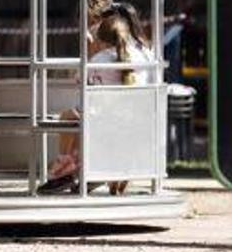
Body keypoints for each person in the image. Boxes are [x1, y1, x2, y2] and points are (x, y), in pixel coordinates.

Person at [38, 10, 159, 195]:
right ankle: (89, 168)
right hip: (137, 121)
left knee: (68, 116)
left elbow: (80, 81)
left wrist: (89, 50)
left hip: (104, 120)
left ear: (100, 40)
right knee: (81, 118)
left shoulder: (98, 60)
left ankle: (65, 165)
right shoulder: (144, 56)